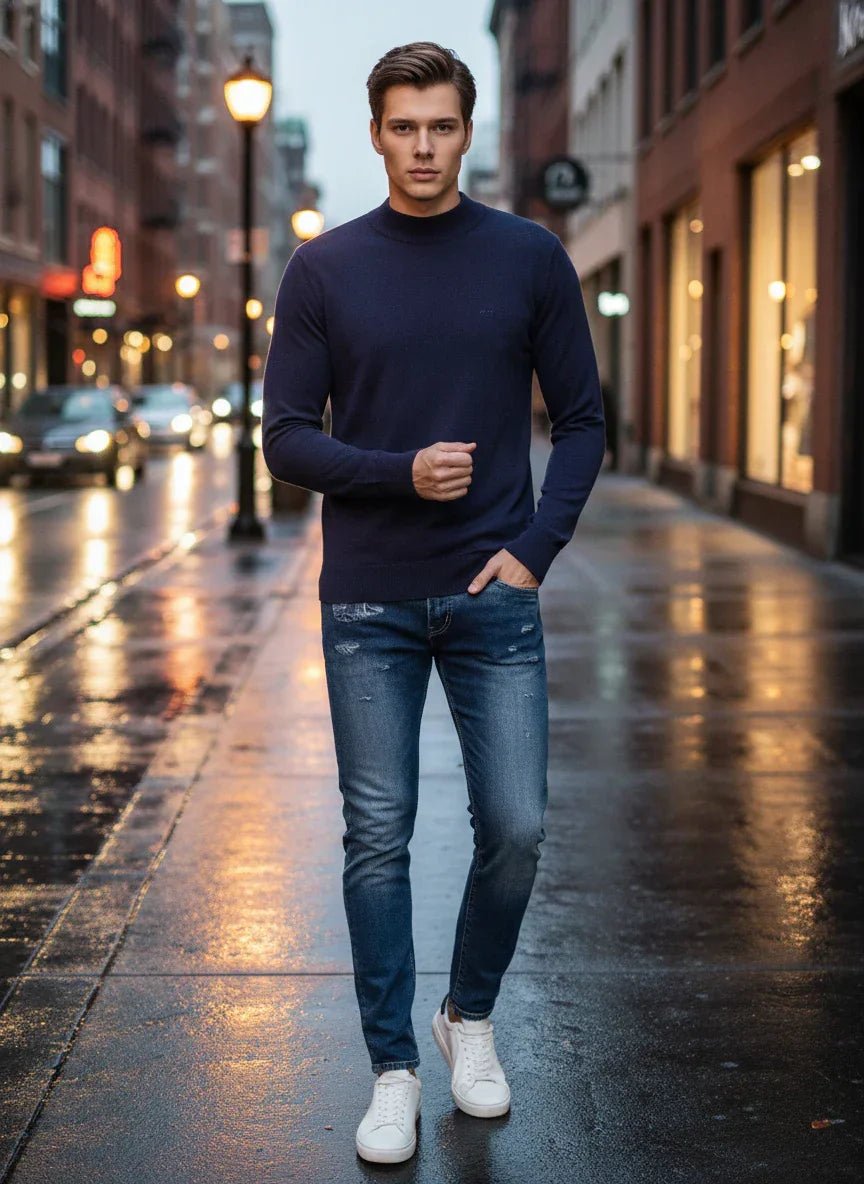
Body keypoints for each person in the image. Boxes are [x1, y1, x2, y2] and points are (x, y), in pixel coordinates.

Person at [262, 41, 605, 1166]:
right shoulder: (326, 269)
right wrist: (395, 472)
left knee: (515, 825)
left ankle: (468, 1012)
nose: (422, 146)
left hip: (490, 594)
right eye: (403, 127)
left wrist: (534, 548)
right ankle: (394, 1067)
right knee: (379, 837)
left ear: (468, 129)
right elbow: (286, 438)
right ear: (375, 134)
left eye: (442, 126)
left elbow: (587, 420)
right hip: (368, 601)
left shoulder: (529, 256)